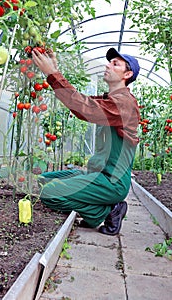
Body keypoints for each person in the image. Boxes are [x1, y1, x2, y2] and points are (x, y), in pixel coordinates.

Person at [32, 47, 140, 235]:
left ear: (128, 74)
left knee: (50, 193)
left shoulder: (124, 103)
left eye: (116, 64)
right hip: (97, 174)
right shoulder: (111, 100)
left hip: (111, 181)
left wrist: (52, 74)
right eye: (109, 62)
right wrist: (55, 70)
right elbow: (79, 100)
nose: (108, 65)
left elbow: (83, 107)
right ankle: (100, 206)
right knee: (44, 180)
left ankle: (107, 211)